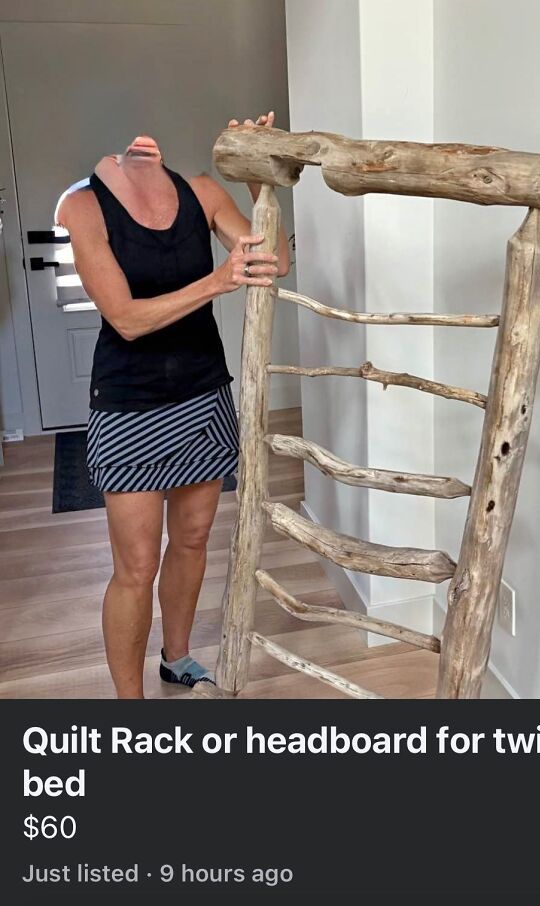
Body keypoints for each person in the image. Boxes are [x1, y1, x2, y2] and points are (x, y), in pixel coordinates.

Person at [56, 113, 289, 699]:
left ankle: (177, 657)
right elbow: (128, 320)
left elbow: (273, 261)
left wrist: (260, 179)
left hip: (203, 396)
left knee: (190, 542)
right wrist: (215, 283)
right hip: (129, 408)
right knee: (135, 568)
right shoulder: (82, 208)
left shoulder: (204, 192)